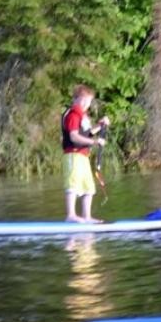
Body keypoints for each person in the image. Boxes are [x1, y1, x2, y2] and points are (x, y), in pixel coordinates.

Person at [61, 84, 110, 223]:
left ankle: (86, 217)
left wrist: (100, 125)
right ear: (76, 99)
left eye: (88, 101)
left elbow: (87, 133)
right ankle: (70, 215)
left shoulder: (83, 116)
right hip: (73, 155)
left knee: (88, 187)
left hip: (83, 156)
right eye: (83, 100)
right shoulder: (73, 115)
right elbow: (74, 137)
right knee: (73, 184)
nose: (86, 104)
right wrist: (95, 142)